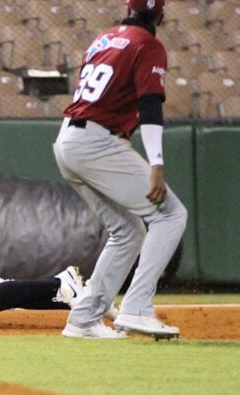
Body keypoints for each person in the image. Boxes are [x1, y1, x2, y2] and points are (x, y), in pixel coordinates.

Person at [54, 0, 187, 339]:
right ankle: (137, 308)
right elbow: (150, 103)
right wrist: (156, 162)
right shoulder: (148, 44)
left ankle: (83, 319)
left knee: (128, 231)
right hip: (98, 141)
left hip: (69, 139)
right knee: (170, 215)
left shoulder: (104, 38)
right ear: (160, 13)